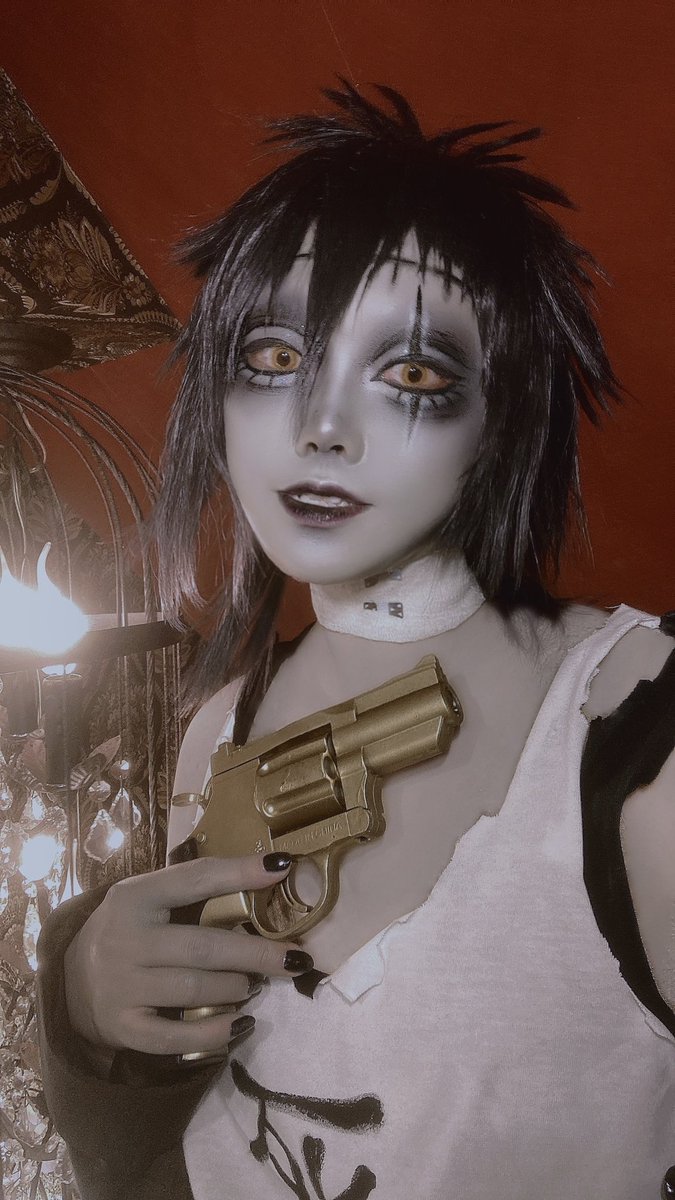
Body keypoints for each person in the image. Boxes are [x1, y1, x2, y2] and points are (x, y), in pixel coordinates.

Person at [36, 82, 675, 1200]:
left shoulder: (636, 733)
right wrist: (90, 1004)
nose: (319, 426)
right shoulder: (217, 729)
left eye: (412, 374)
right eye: (275, 359)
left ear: (502, 417)